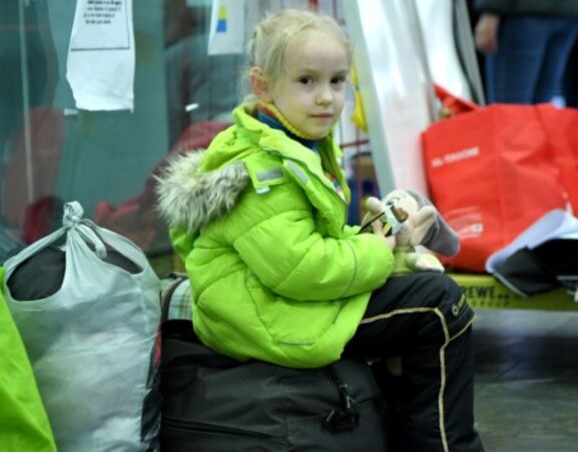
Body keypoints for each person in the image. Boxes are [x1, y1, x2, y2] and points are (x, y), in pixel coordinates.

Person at [156, 9, 483, 452]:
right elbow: (302, 268)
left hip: (280, 302)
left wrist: (376, 245)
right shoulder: (261, 172)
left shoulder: (293, 146)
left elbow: (312, 245)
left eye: (336, 81)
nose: (326, 97)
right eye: (307, 81)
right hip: (269, 314)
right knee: (439, 308)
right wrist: (376, 251)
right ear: (263, 86)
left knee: (421, 292)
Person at [473, 0, 578, 104]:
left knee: (510, 110)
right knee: (541, 108)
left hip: (523, 11)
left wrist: (491, 9)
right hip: (570, 12)